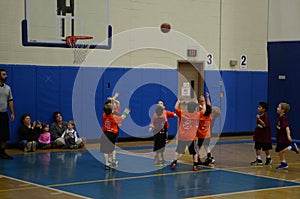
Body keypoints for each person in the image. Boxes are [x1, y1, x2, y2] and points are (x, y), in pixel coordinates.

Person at [169, 97, 201, 171]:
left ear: (187, 107)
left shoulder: (182, 113)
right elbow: (204, 110)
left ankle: (174, 163)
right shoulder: (196, 115)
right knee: (195, 152)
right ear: (194, 109)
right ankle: (195, 166)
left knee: (178, 150)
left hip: (182, 136)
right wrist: (199, 103)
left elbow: (175, 108)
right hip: (191, 137)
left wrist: (179, 100)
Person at [100, 102, 130, 170]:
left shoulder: (104, 115)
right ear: (112, 111)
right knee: (112, 148)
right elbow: (122, 118)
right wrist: (125, 113)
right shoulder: (114, 117)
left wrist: (112, 102)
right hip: (112, 134)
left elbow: (108, 110)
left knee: (105, 151)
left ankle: (107, 164)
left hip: (105, 134)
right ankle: (113, 160)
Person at [275, 102, 299, 169]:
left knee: (280, 151)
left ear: (282, 110)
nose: (277, 108)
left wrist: (288, 135)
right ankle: (284, 164)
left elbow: (287, 127)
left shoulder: (283, 118)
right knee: (279, 152)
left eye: (278, 107)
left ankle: (291, 147)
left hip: (283, 138)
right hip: (279, 138)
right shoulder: (280, 118)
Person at [0, 69, 15, 159]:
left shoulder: (8, 88)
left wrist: (12, 113)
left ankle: (2, 153)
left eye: (6, 74)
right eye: (3, 74)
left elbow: (10, 101)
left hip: (3, 113)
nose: (6, 76)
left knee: (4, 134)